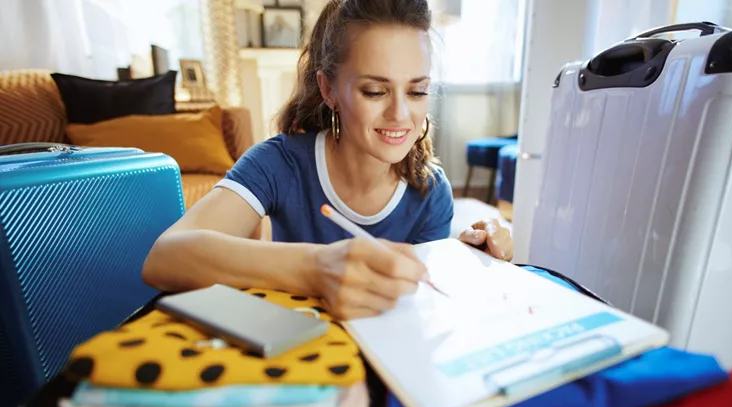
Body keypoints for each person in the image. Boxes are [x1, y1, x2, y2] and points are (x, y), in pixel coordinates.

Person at [142, 0, 513, 320]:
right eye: (374, 91)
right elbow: (164, 258)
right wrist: (316, 268)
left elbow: (414, 305)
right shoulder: (279, 163)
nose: (401, 114)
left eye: (417, 90)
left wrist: (458, 259)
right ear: (328, 89)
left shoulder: (430, 193)